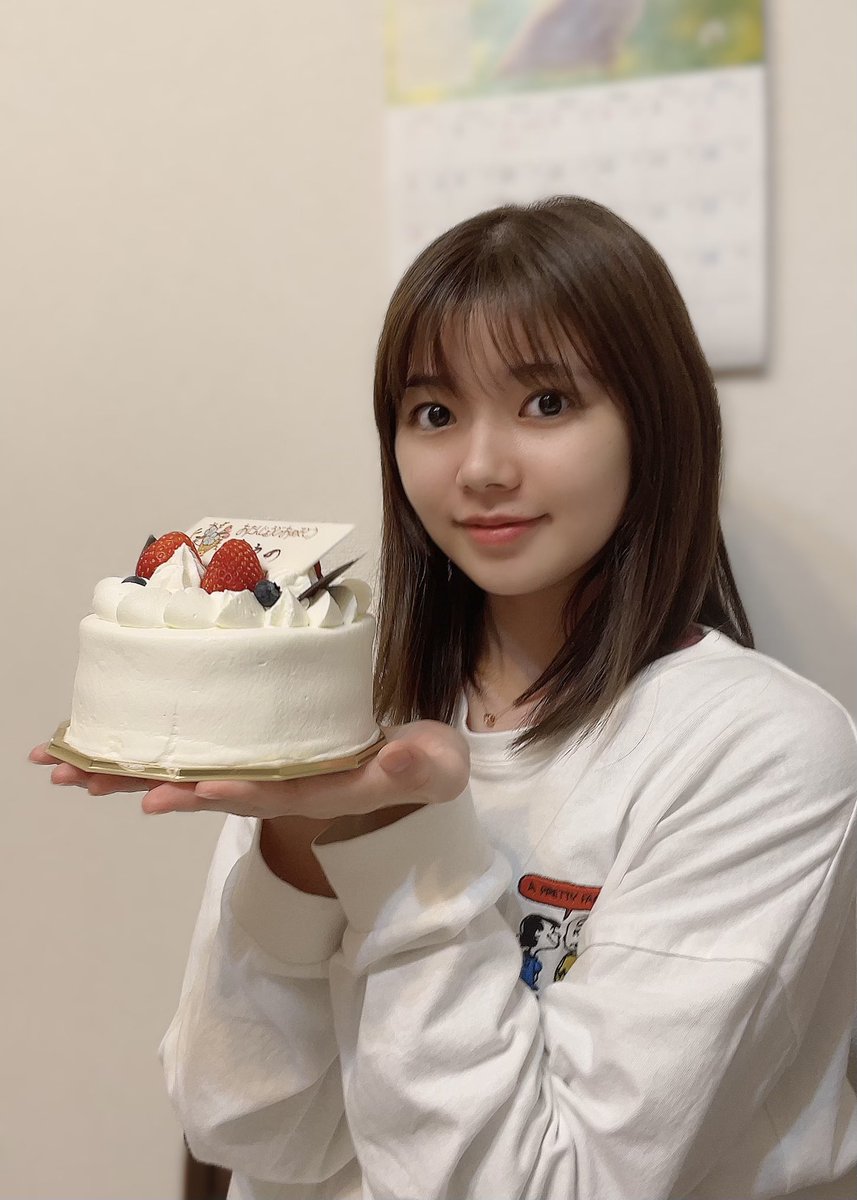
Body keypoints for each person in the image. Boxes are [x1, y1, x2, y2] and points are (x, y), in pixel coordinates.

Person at [32, 197, 857, 1199]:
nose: (480, 468)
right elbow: (247, 1126)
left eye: (546, 402)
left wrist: (393, 828)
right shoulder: (336, 707)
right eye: (433, 413)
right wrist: (297, 839)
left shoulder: (759, 749)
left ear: (655, 420)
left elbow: (552, 1185)